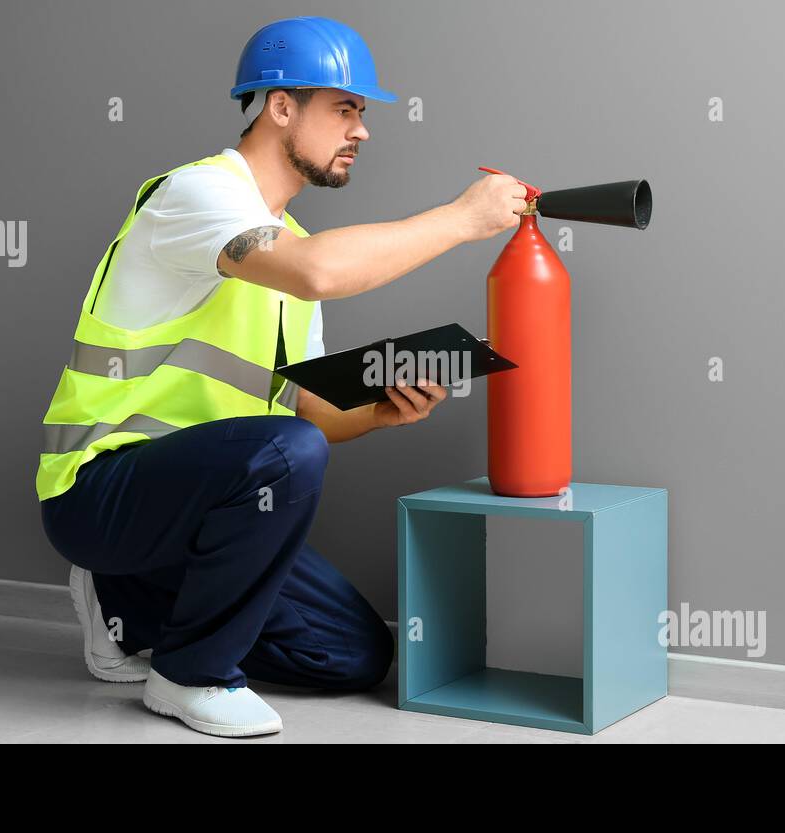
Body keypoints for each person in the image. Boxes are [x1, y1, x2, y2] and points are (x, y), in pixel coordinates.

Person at [37, 15, 527, 737]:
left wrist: (380, 409)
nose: (362, 130)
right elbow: (318, 275)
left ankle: (128, 601)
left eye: (361, 112)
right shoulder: (195, 197)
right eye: (346, 109)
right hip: (99, 489)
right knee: (289, 454)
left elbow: (303, 413)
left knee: (353, 653)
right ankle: (189, 674)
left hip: (195, 502)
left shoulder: (290, 247)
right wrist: (462, 219)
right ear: (281, 106)